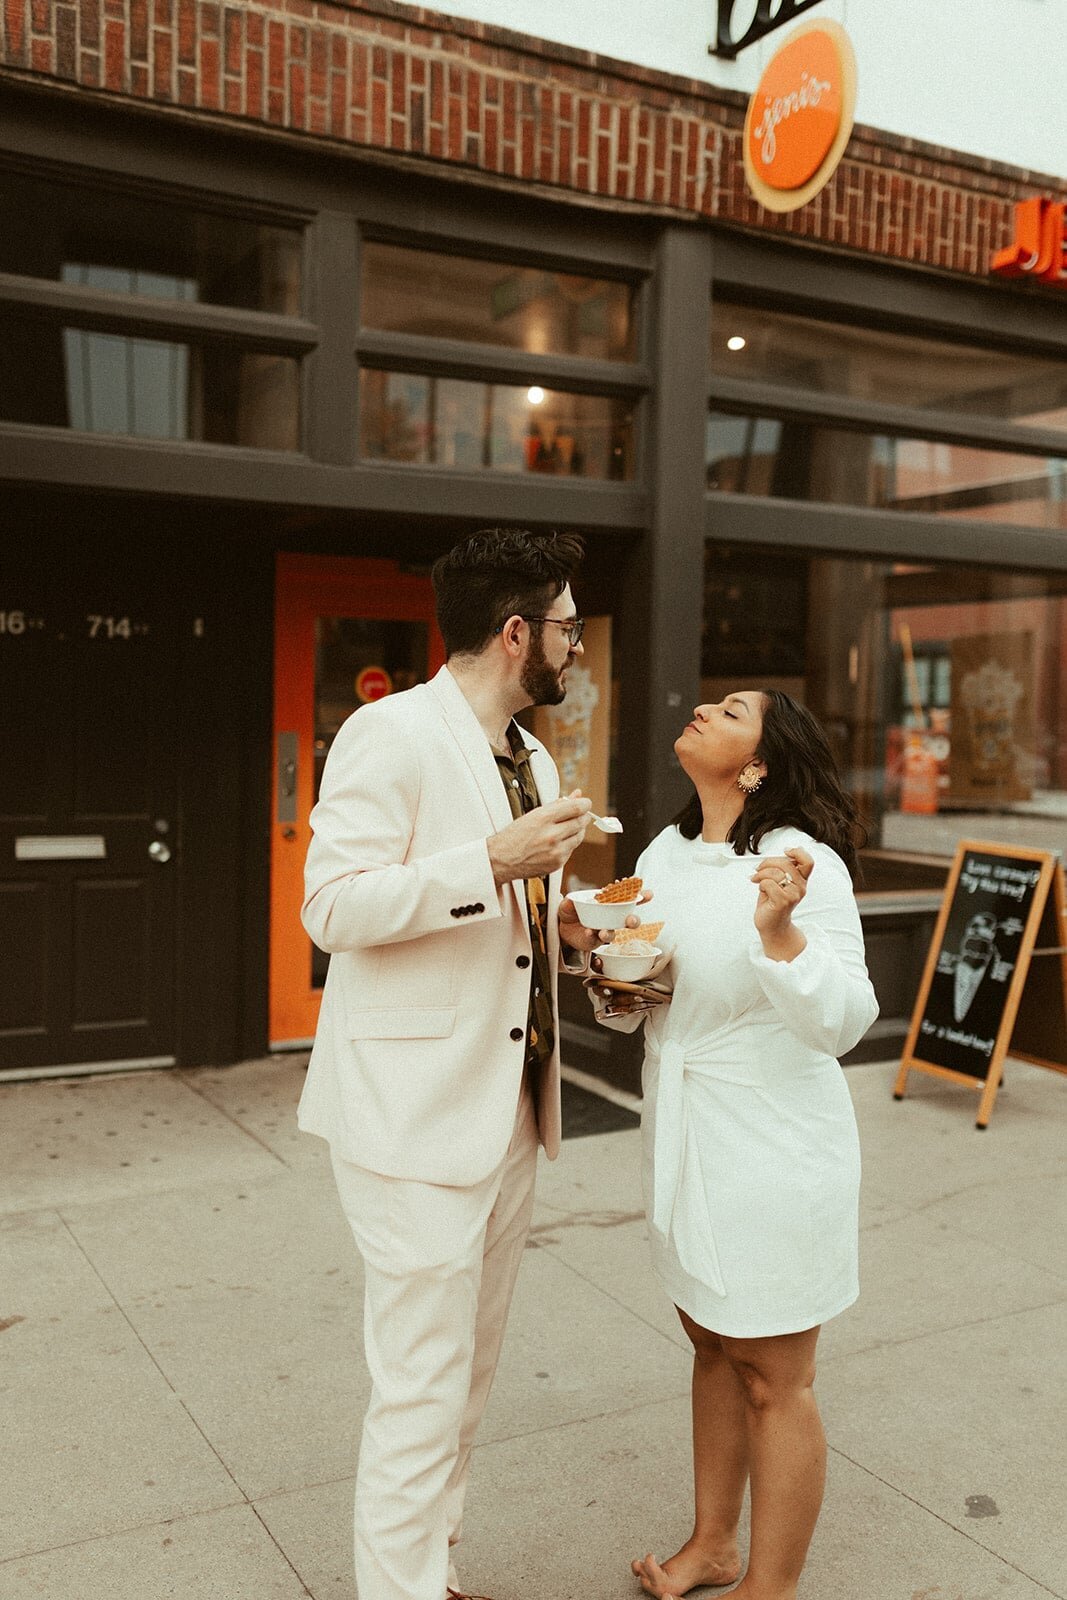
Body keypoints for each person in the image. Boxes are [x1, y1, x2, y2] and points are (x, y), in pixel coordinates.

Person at [297, 527, 616, 1600]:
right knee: (419, 1390)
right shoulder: (388, 733)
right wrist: (490, 859)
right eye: (567, 628)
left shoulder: (525, 754)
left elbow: (509, 913)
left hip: (509, 1112)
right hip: (411, 1117)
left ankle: (431, 1572)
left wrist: (569, 921)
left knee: (464, 1386)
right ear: (515, 631)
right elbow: (331, 906)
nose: (575, 648)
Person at [591, 689, 878, 1600]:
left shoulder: (805, 865)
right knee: (711, 1345)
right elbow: (651, 983)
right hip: (685, 1128)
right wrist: (617, 988)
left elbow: (843, 1023)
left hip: (771, 1142)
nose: (704, 708)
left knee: (772, 1375)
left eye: (731, 710)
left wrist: (779, 930)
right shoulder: (660, 855)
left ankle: (771, 1586)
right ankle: (713, 1544)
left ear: (758, 764)